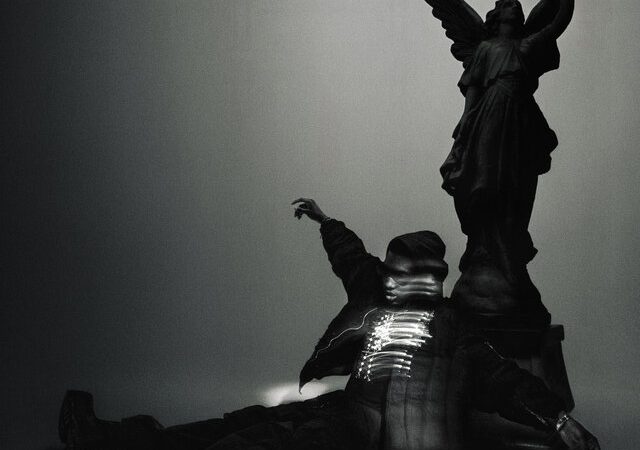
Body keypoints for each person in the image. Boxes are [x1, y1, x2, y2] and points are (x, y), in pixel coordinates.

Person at [59, 198, 599, 450]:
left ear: (427, 280)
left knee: (256, 441)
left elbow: (503, 377)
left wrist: (555, 419)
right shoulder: (375, 288)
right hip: (342, 408)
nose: (388, 279)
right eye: (388, 271)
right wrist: (324, 220)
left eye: (400, 274)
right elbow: (350, 254)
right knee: (238, 422)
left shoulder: (452, 328)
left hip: (360, 433)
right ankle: (115, 438)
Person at [423, 0, 575, 326]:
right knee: (483, 181)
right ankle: (483, 249)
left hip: (521, 120)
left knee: (516, 185)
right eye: (507, 4)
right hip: (490, 115)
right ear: (497, 16)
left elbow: (556, 24)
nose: (515, 6)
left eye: (517, 5)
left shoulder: (526, 45)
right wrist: (466, 124)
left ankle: (508, 256)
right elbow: (473, 88)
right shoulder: (485, 48)